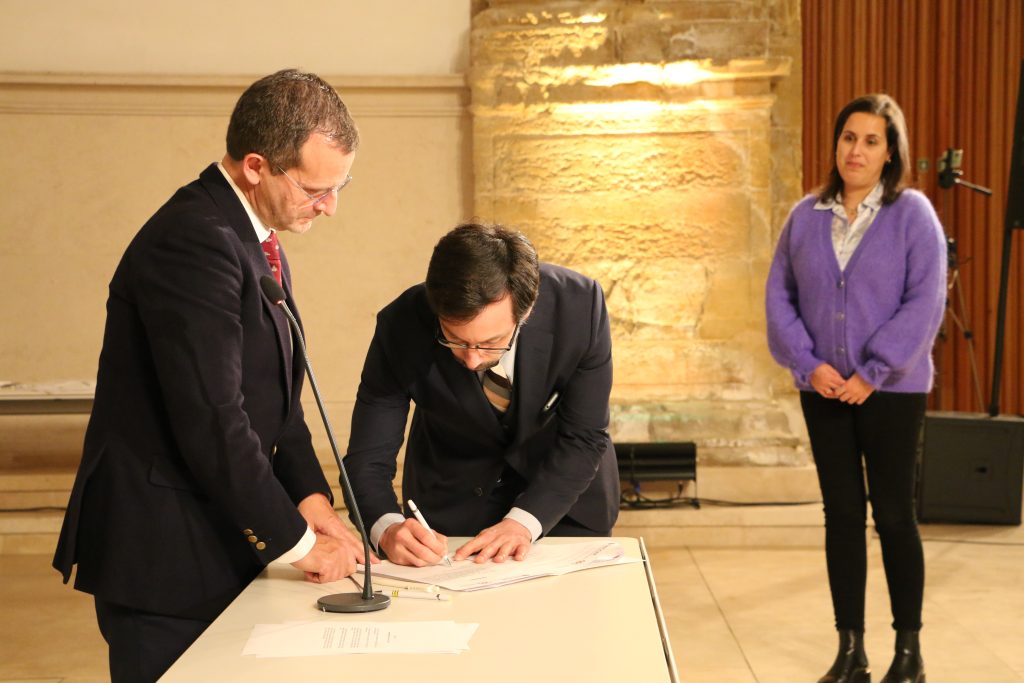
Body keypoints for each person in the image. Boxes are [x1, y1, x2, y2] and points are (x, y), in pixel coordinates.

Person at [52, 69, 369, 682]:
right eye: (316, 188)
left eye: (340, 185)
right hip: (166, 555)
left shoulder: (254, 237)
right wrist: (302, 545)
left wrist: (312, 502)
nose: (331, 206)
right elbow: (213, 418)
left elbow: (276, 400)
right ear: (256, 166)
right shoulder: (194, 240)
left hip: (218, 538)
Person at [766, 93, 946, 683]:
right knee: (842, 515)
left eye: (871, 141)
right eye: (849, 137)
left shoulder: (912, 214)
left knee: (894, 515)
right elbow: (779, 296)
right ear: (836, 143)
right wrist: (808, 365)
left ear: (890, 152)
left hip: (892, 391)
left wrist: (874, 371)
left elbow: (925, 300)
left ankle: (909, 652)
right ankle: (851, 651)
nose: (857, 151)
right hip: (822, 389)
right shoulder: (806, 216)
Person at [344, 223, 619, 567]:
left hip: (563, 506)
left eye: (491, 343)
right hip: (448, 511)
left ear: (527, 310)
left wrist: (522, 523)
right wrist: (386, 528)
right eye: (455, 339)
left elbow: (584, 436)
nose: (472, 360)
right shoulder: (402, 325)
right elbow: (367, 458)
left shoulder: (579, 306)